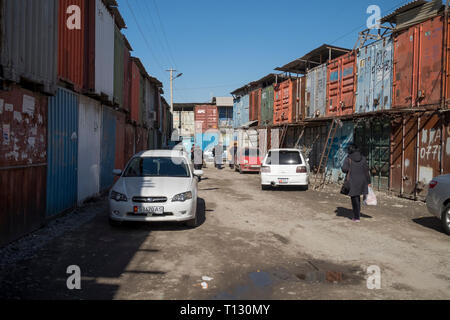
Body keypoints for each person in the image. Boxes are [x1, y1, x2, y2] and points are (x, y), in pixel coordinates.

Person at [341, 144, 371, 222]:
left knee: (354, 198)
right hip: (362, 181)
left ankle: (357, 217)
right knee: (357, 197)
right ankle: (357, 214)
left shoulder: (348, 159)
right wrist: (369, 182)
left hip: (352, 181)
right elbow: (366, 171)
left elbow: (344, 169)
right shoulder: (363, 158)